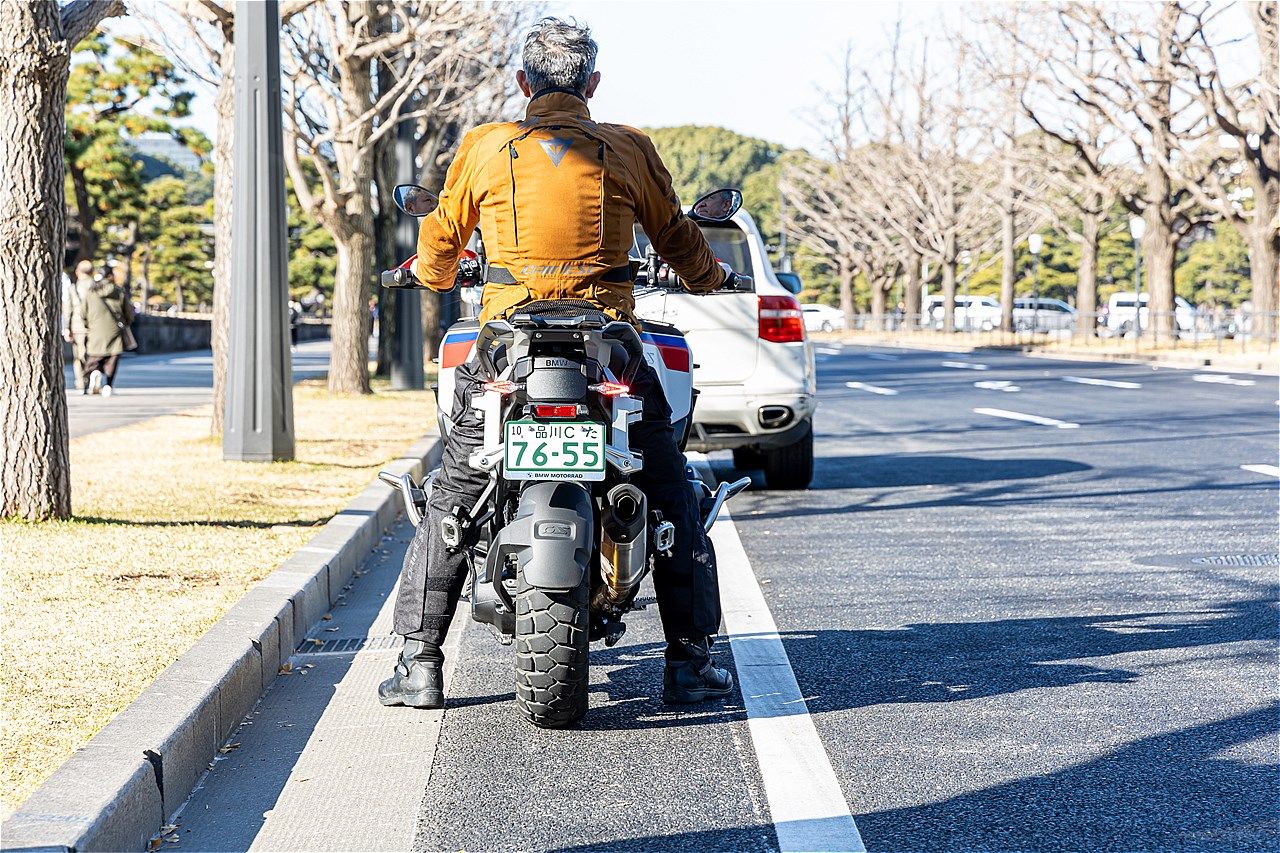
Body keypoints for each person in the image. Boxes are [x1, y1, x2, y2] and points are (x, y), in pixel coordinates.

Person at [379, 17, 742, 710]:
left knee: (454, 488)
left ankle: (419, 663)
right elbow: (677, 235)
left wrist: (427, 273)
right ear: (592, 84)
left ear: (522, 83)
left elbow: (441, 241)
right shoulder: (629, 147)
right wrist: (713, 280)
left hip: (506, 348)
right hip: (609, 346)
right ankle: (689, 661)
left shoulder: (487, 146)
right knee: (670, 487)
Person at [77, 265, 135, 397]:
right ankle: (108, 384)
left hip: (95, 329)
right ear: (110, 276)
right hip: (114, 329)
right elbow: (129, 313)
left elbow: (82, 313)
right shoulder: (118, 292)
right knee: (112, 358)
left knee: (94, 356)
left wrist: (89, 325)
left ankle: (95, 372)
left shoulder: (91, 292)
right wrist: (126, 322)